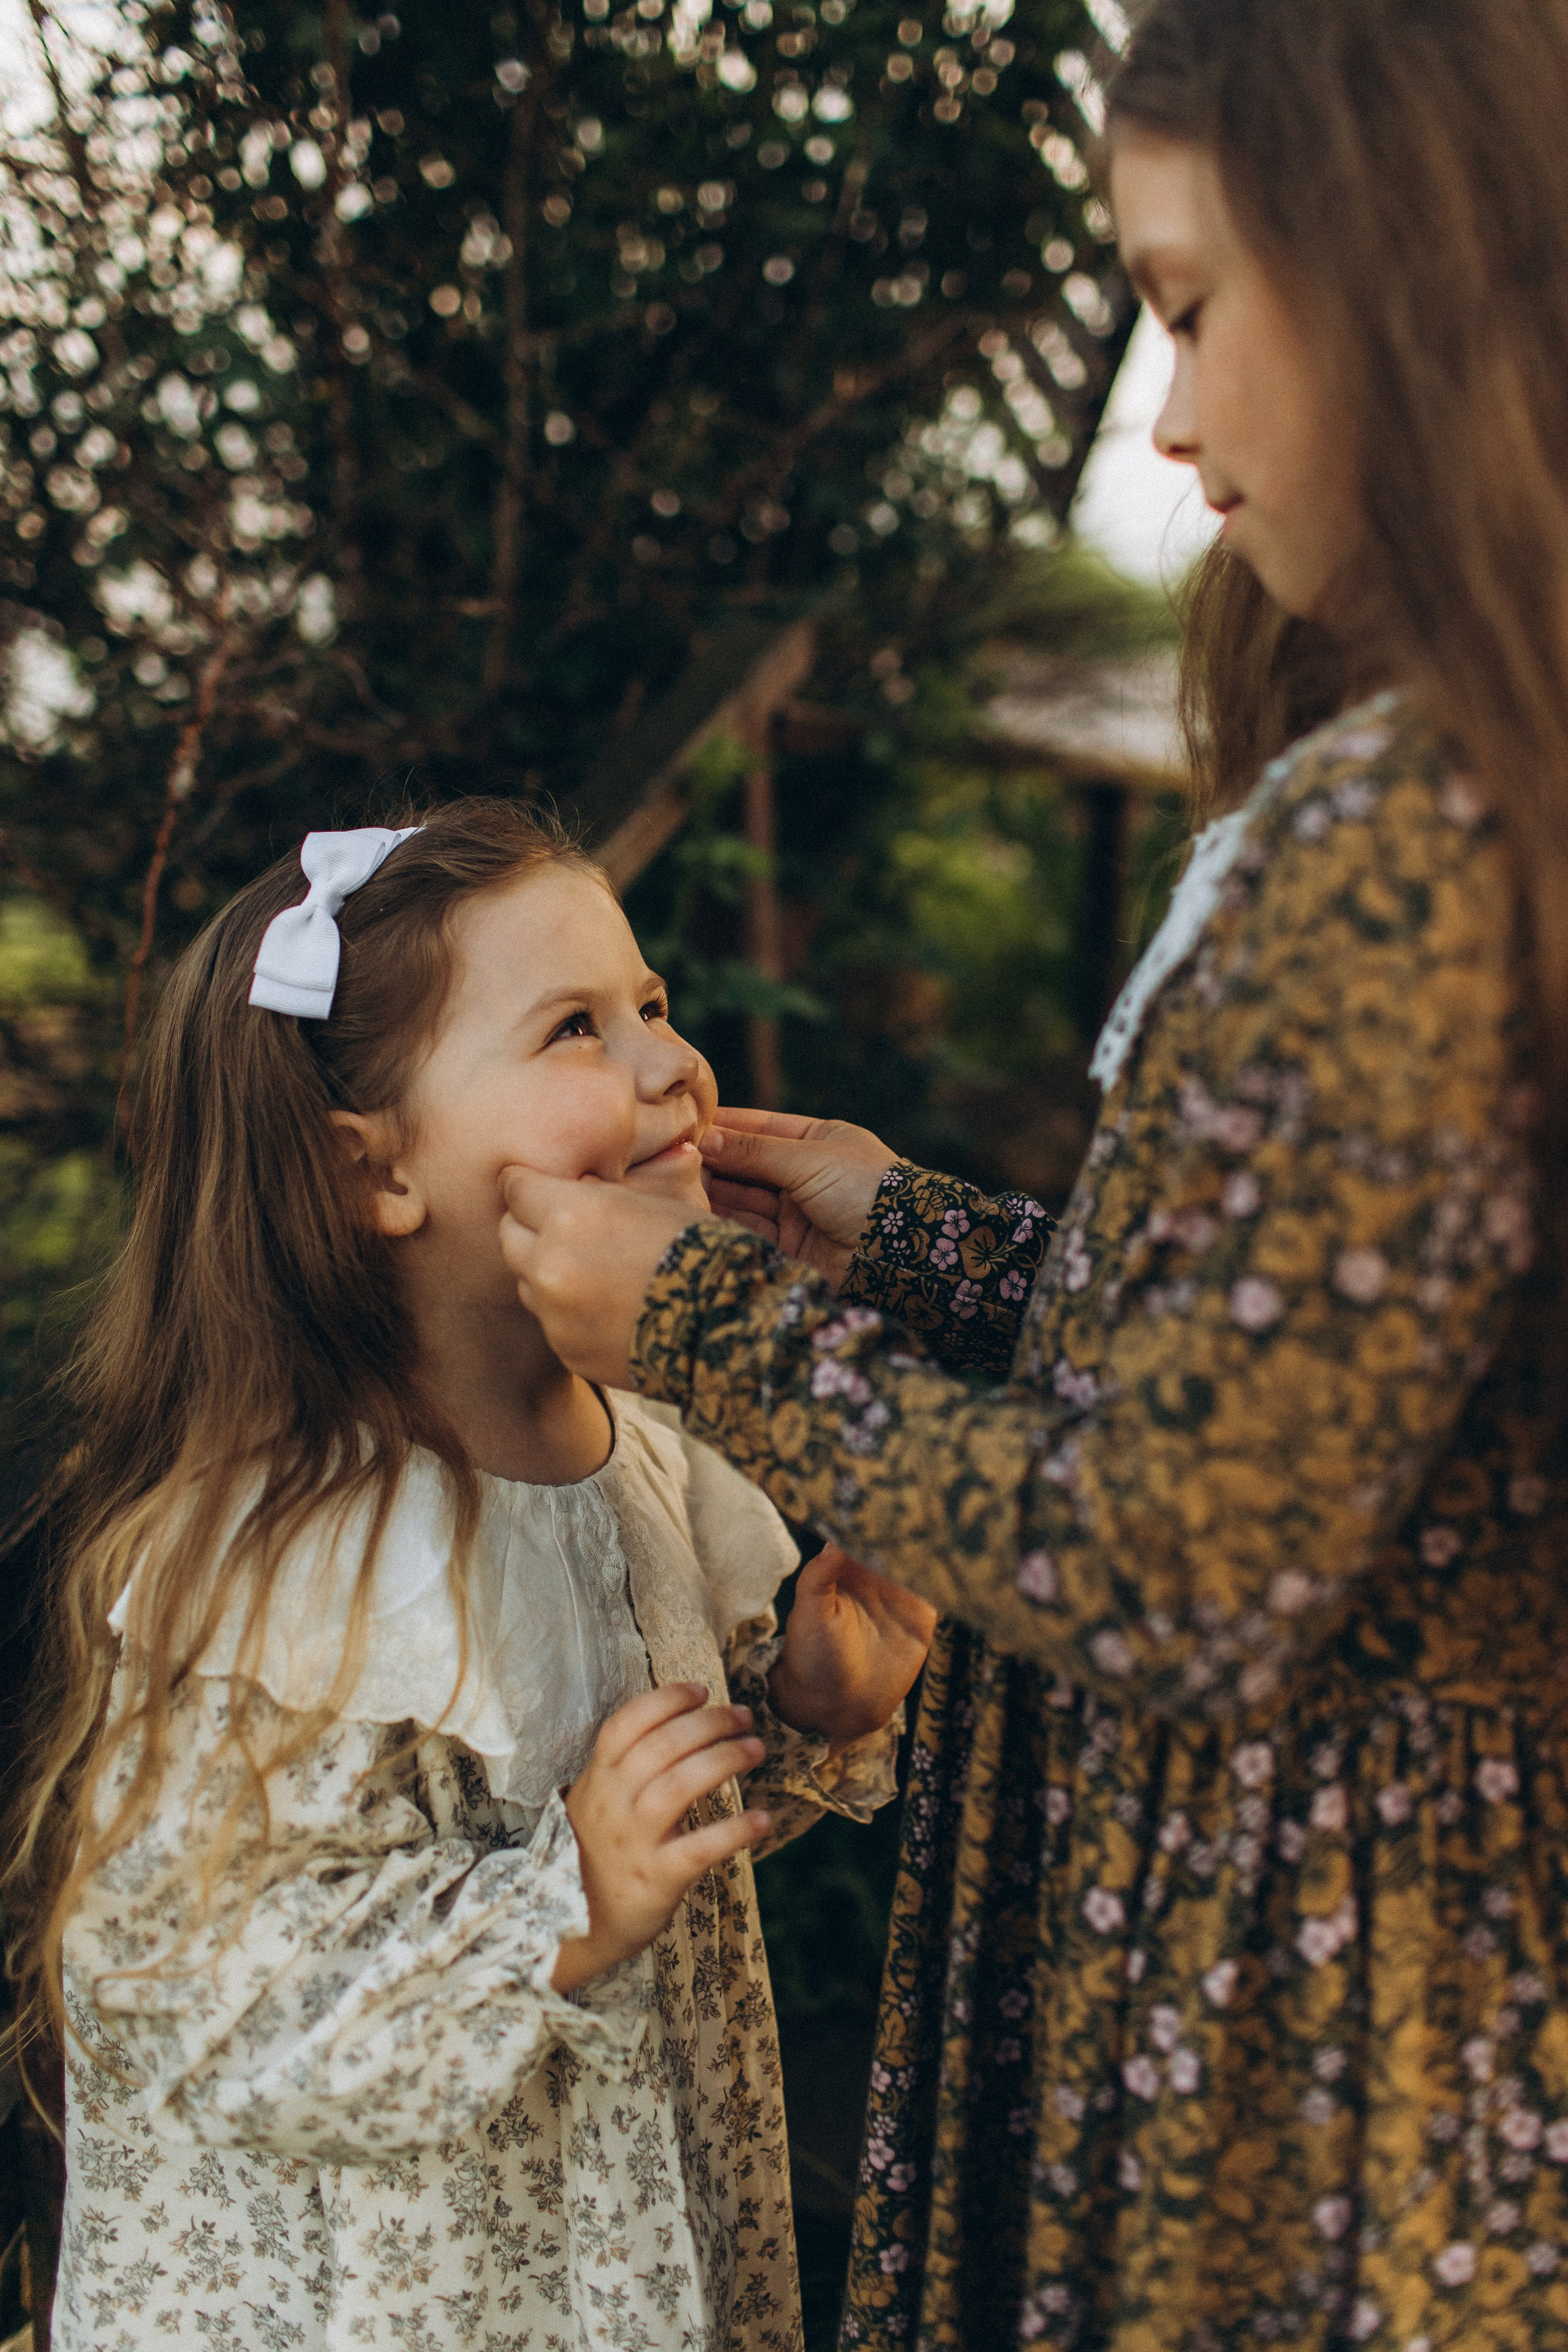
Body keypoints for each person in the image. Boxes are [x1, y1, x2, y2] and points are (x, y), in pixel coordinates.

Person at [494, 2, 1568, 2345]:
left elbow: (1184, 1553)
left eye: (1191, 309)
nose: (1167, 420)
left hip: (1312, 2003)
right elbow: (1298, 1360)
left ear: (1400, 271)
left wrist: (699, 1326)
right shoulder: (1437, 796)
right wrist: (924, 1237)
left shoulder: (1415, 842)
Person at [7, 803, 936, 2352]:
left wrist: (797, 1708)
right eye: (576, 1027)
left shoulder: (650, 1459)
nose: (669, 1065)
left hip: (622, 2257)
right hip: (385, 2298)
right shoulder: (282, 1562)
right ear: (368, 1170)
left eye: (649, 1004)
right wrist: (560, 1910)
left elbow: (626, 1828)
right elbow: (216, 2021)